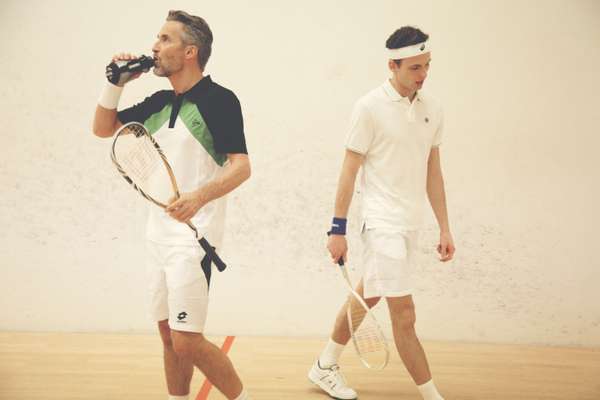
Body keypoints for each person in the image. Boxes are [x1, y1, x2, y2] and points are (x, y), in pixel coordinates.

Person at [92, 10, 251, 400]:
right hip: (156, 236)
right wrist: (115, 85)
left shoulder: (220, 101)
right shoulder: (160, 101)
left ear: (190, 51)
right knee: (167, 335)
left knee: (186, 340)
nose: (154, 46)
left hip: (193, 240)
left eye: (165, 39)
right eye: (156, 38)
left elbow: (241, 167)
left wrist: (198, 197)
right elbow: (102, 128)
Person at [308, 26, 455, 400]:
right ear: (392, 65)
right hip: (381, 224)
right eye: (414, 68)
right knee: (404, 317)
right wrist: (336, 228)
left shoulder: (433, 109)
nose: (422, 75)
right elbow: (349, 169)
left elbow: (432, 172)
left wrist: (444, 227)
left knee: (365, 298)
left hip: (410, 224)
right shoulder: (368, 107)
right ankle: (433, 395)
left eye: (427, 66)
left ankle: (325, 365)